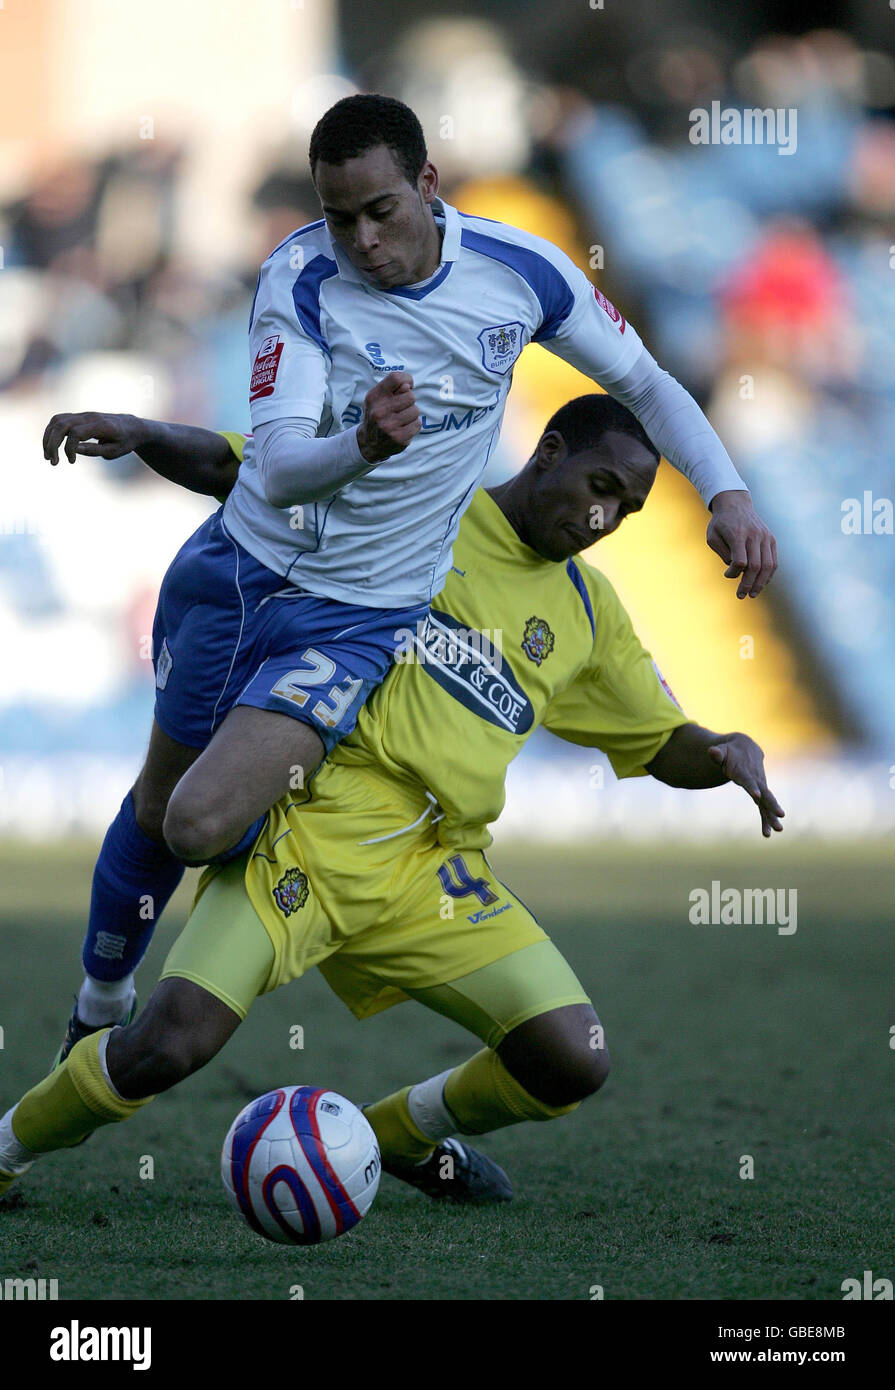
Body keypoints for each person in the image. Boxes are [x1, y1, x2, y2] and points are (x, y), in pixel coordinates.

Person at [42, 92, 775, 1068]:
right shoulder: (298, 275)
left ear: (427, 185)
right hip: (241, 570)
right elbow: (281, 463)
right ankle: (96, 1011)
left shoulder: (525, 276)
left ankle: (274, 910)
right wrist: (364, 444)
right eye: (337, 215)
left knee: (202, 824)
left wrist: (725, 492)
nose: (360, 239)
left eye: (379, 210)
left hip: (353, 618)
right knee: (155, 813)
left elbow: (645, 385)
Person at [4, 395, 783, 1203]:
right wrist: (144, 432)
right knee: (166, 1045)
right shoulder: (420, 502)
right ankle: (4, 1150)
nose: (604, 515)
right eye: (600, 485)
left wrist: (723, 753)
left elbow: (659, 740)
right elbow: (249, 469)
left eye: (625, 506)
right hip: (310, 829)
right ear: (547, 451)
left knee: (571, 1060)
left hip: (434, 872)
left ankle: (387, 1137)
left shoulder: (589, 615)